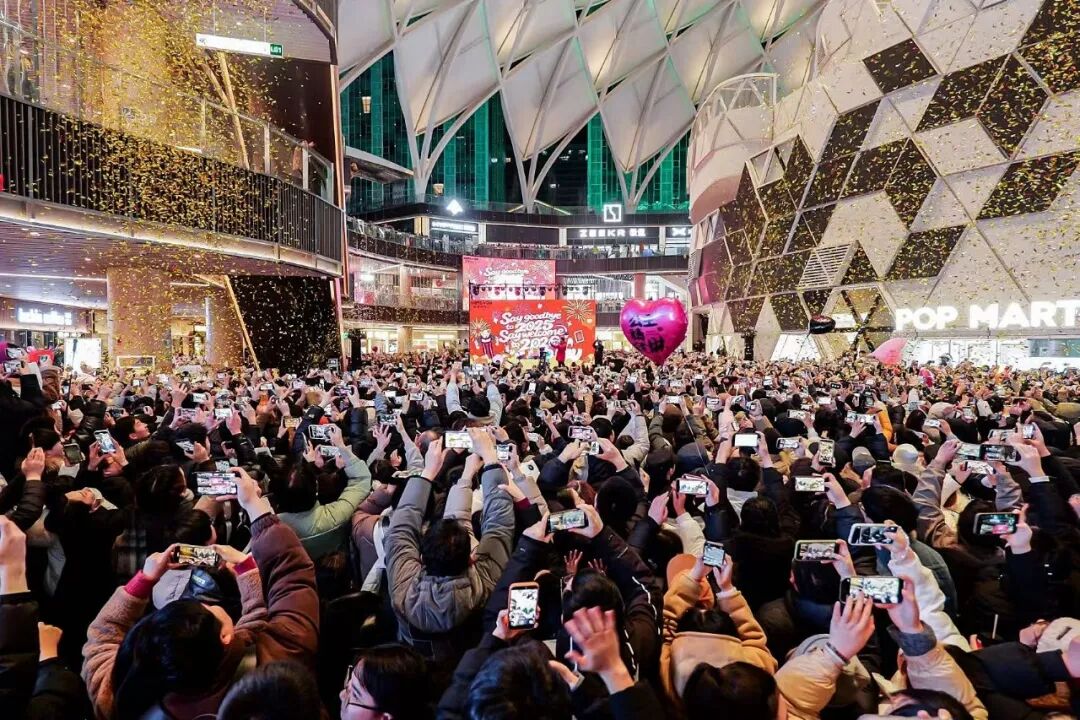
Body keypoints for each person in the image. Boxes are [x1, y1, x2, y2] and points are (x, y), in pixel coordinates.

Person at [0, 350, 1078, 720]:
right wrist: (580, 538)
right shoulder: (624, 628)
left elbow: (369, 531)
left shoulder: (414, 589)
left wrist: (473, 496)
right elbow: (307, 558)